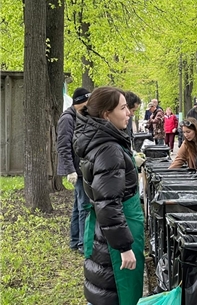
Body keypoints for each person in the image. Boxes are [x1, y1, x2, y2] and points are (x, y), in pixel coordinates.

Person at [73, 87, 144, 305]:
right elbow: (109, 204)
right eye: (123, 108)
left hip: (107, 232)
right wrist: (124, 248)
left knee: (102, 290)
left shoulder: (100, 139)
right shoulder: (109, 149)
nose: (128, 113)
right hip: (116, 236)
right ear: (106, 114)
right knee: (117, 292)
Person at [57, 87, 91, 255]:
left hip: (80, 167)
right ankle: (83, 244)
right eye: (86, 103)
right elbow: (63, 146)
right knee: (84, 206)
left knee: (78, 207)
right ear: (80, 103)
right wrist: (70, 169)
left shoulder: (79, 115)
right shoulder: (67, 118)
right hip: (75, 169)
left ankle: (75, 241)